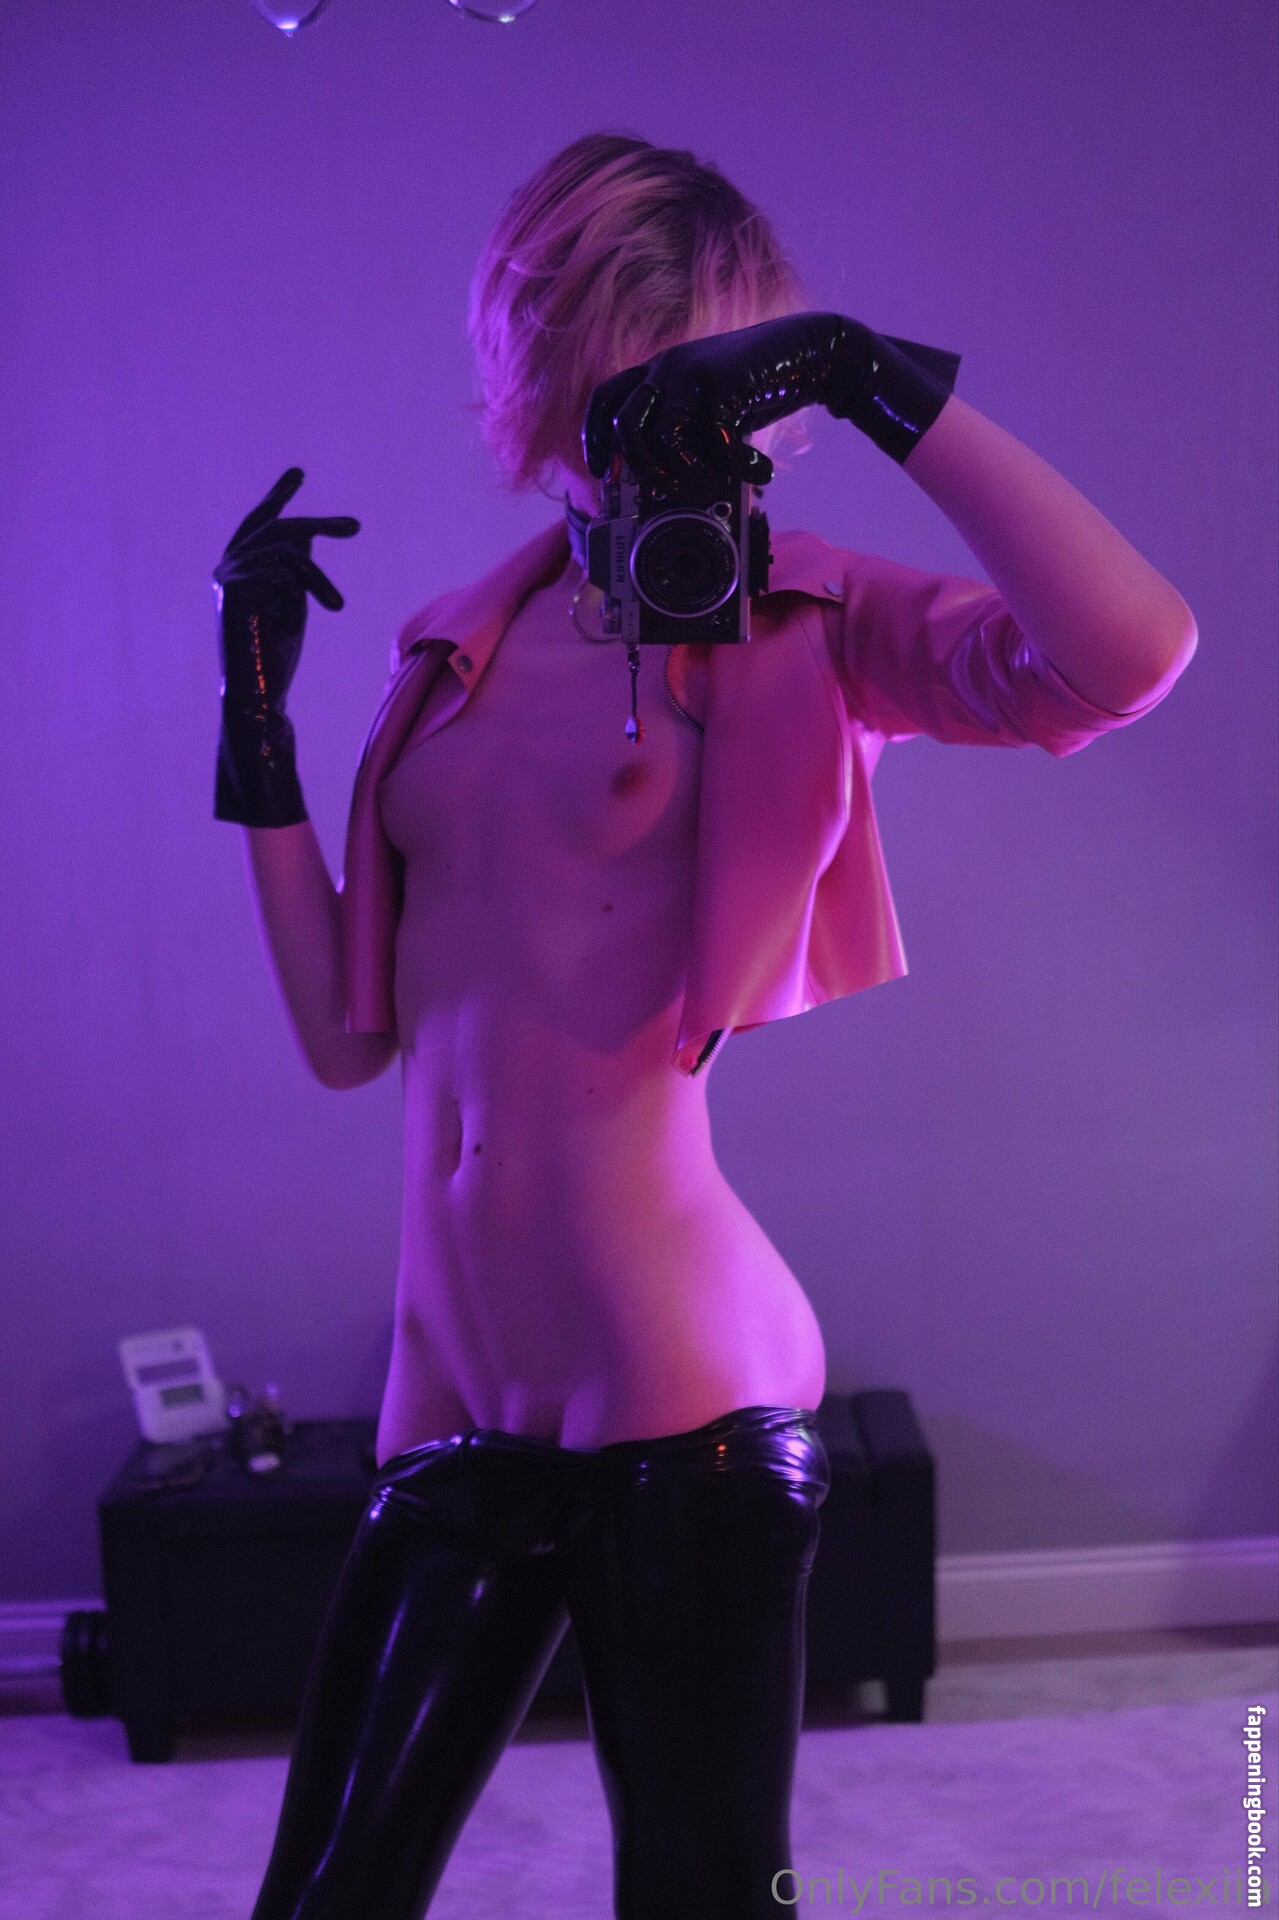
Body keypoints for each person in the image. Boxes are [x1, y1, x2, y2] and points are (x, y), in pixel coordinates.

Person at [214, 134, 1196, 1920]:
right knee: (322, 1897)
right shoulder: (456, 652)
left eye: (692, 372)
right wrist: (258, 732)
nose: (641, 421)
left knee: (700, 1895)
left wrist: (870, 374)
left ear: (753, 382)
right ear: (535, 356)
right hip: (453, 1387)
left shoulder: (799, 617)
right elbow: (350, 1045)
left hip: (681, 1386)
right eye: (604, 362)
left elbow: (1127, 653)